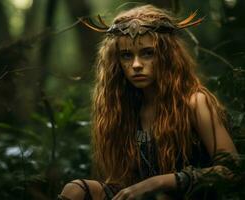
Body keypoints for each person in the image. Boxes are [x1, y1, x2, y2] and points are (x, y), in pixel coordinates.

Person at [58, 4, 240, 200]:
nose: (136, 65)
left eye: (147, 53)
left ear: (167, 56)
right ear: (116, 62)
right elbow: (125, 184)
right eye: (127, 55)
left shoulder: (195, 102)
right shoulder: (124, 110)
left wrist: (158, 182)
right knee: (75, 190)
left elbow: (231, 171)